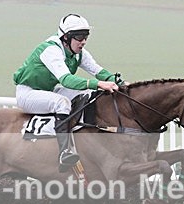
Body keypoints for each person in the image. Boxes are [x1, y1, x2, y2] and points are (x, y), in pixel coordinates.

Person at [13, 13, 120, 171]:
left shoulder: (78, 53)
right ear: (65, 37)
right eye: (79, 37)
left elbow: (98, 71)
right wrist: (98, 84)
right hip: (28, 93)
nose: (83, 41)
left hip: (48, 90)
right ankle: (64, 152)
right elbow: (66, 80)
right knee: (61, 103)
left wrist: (120, 82)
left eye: (86, 36)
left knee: (85, 96)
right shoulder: (50, 50)